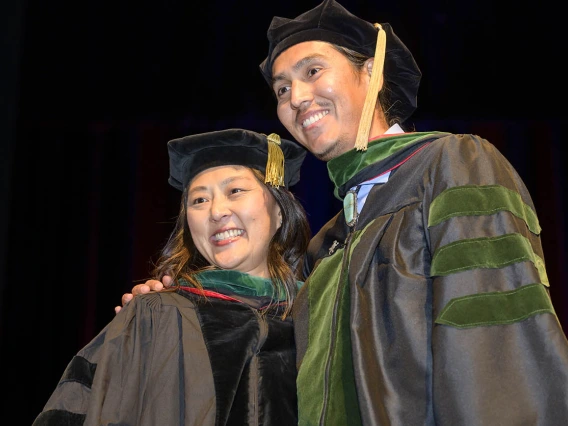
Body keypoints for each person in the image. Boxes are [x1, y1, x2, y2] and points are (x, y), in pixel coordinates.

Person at [119, 1, 568, 424]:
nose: (296, 97)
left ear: (369, 72)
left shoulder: (452, 165)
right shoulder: (330, 241)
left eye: (313, 71)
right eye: (282, 88)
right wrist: (172, 309)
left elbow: (498, 344)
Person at [33, 128, 311, 425]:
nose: (216, 212)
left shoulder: (320, 317)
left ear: (279, 211)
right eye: (199, 200)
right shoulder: (157, 316)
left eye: (235, 191)